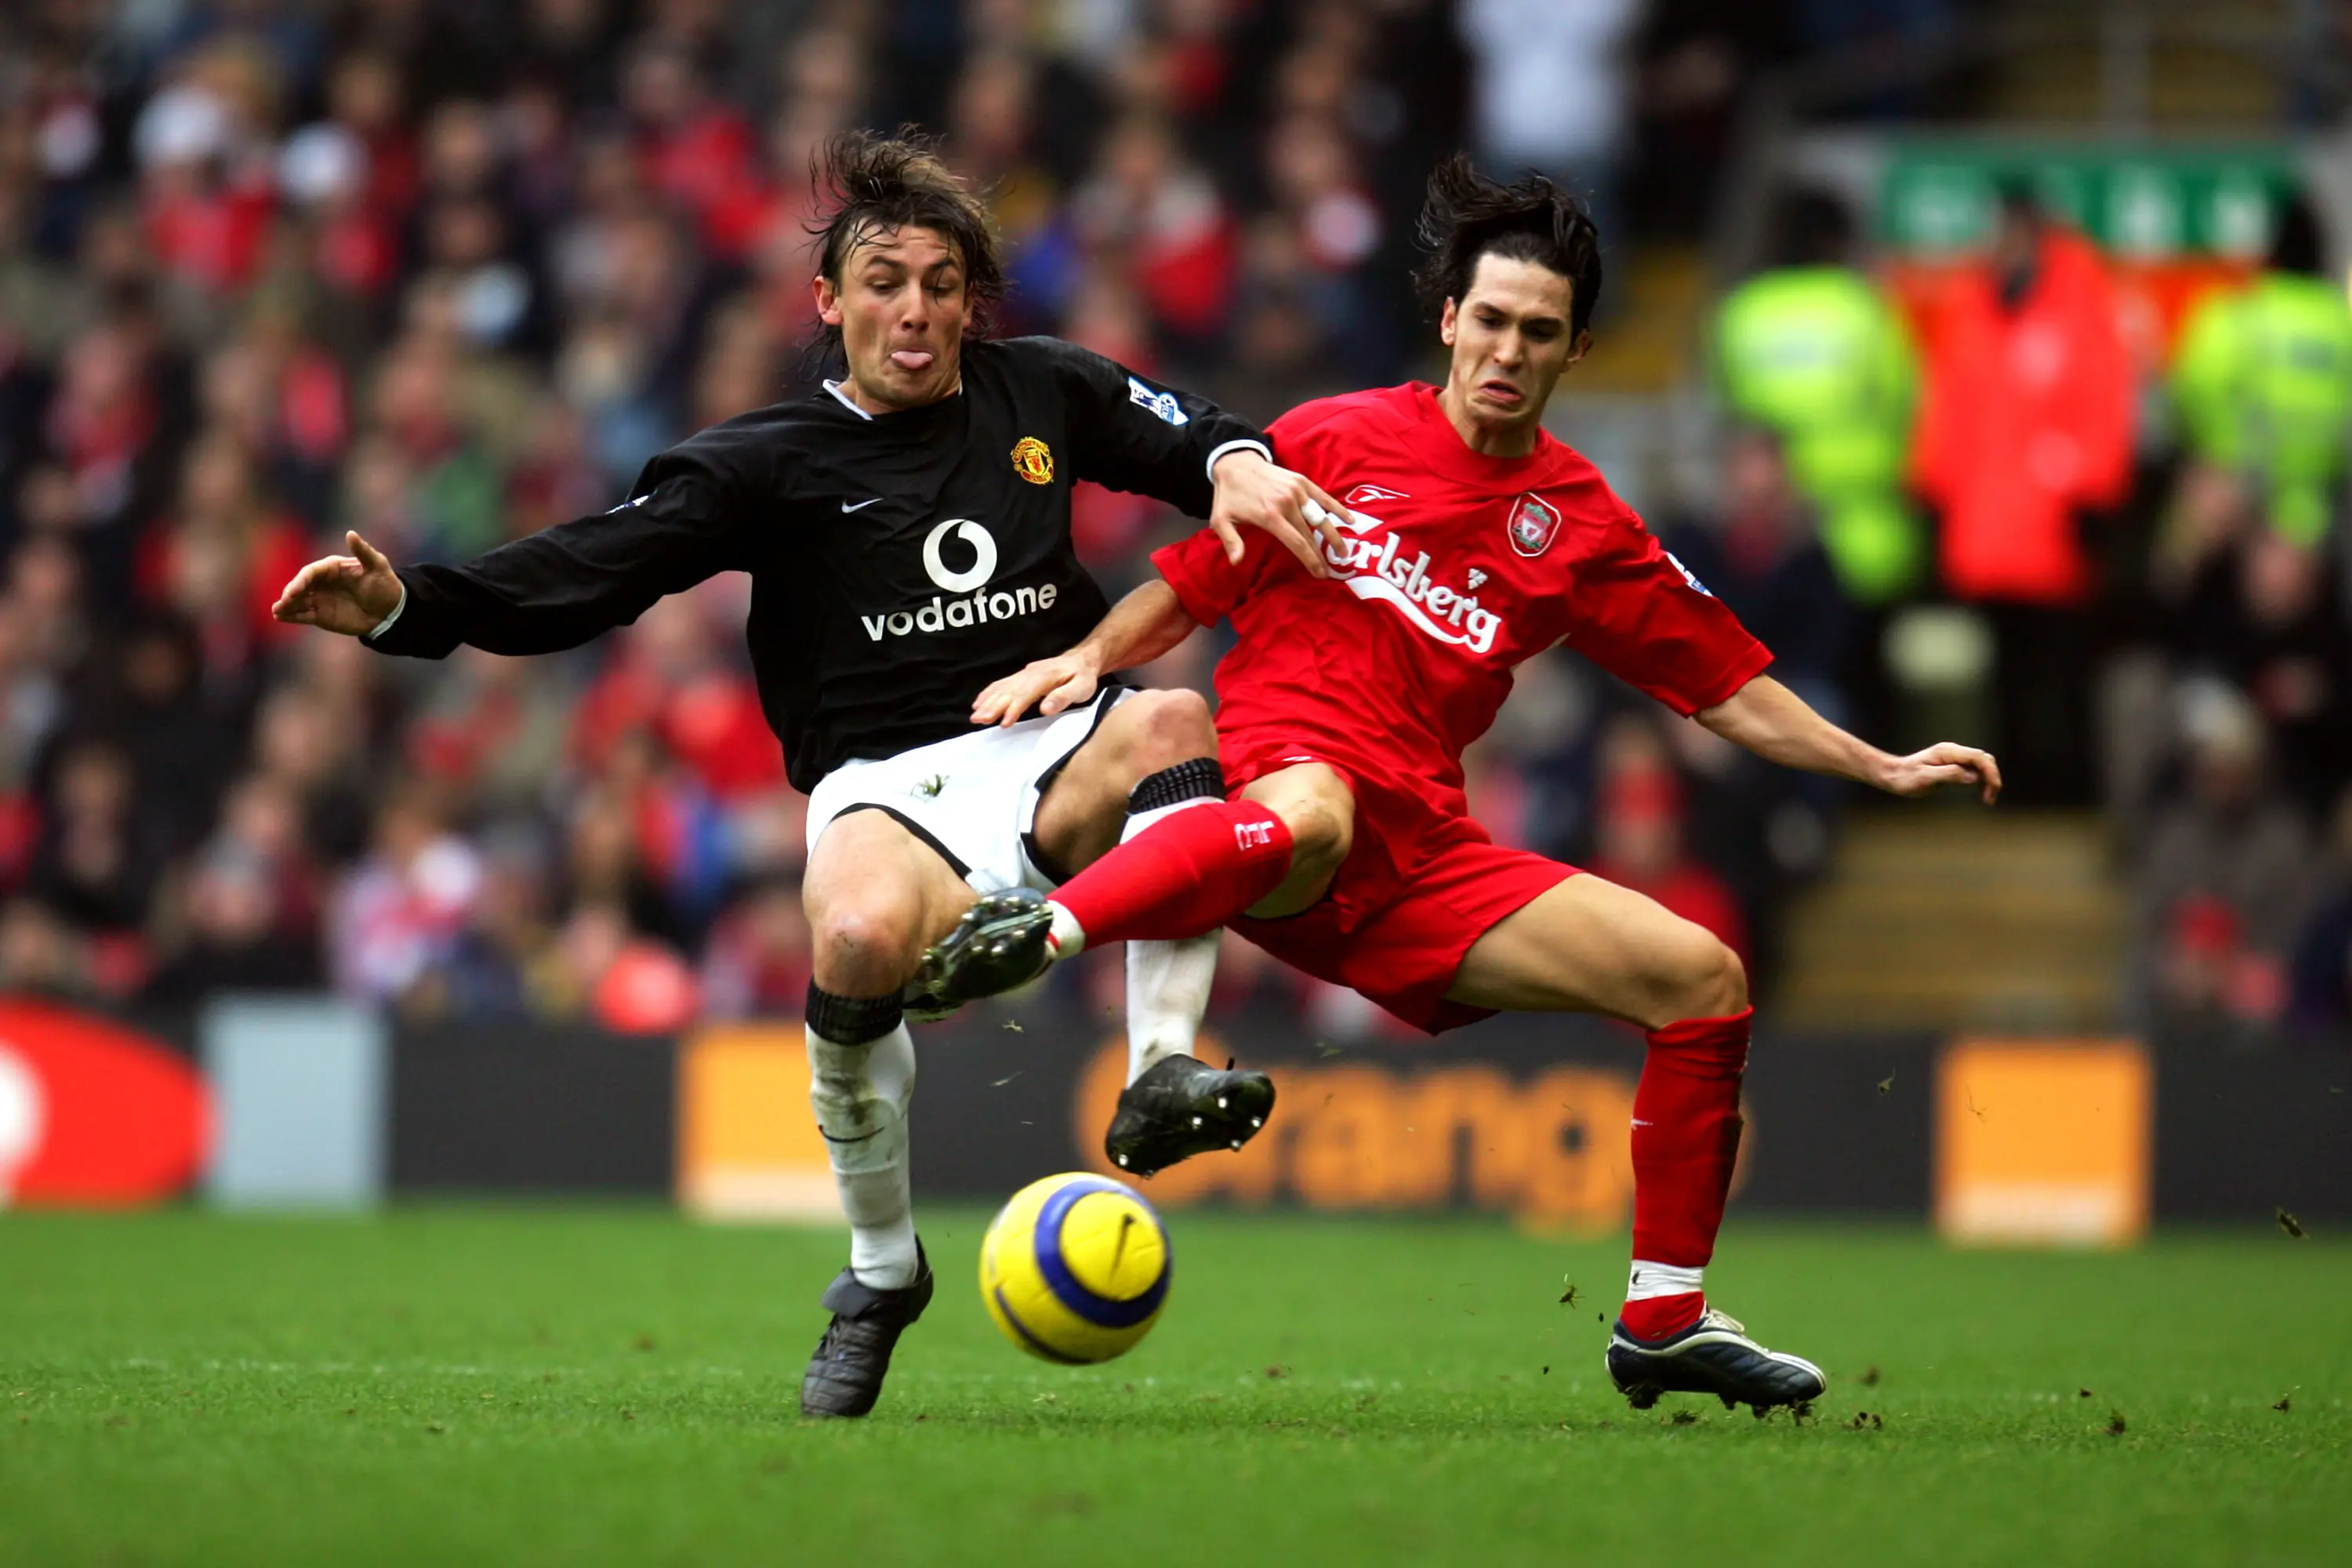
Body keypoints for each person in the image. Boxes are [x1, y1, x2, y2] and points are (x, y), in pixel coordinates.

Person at [270, 130, 1347, 1420]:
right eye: (885, 281)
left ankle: (1161, 1068)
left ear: (972, 303)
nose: (917, 310)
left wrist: (1237, 463)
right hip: (886, 785)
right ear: (829, 302)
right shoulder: (763, 462)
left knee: (1174, 716)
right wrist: (413, 609)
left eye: (944, 284)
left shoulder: (1040, 391)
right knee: (853, 936)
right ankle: (881, 1274)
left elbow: (1195, 435)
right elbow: (595, 569)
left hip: (1054, 740)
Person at [933, 156, 2001, 1415]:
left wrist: (1873, 760)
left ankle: (1662, 1318)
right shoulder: (1329, 437)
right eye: (1488, 320)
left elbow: (1720, 683)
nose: (1506, 349)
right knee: (1314, 808)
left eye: (1537, 333)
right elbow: (1196, 580)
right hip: (1286, 793)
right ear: (1449, 320)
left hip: (1423, 856)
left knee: (1702, 981)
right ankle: (1043, 931)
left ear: (1576, 351)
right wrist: (1083, 656)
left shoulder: (1580, 520)